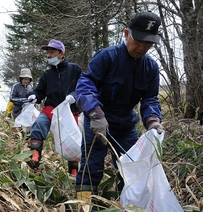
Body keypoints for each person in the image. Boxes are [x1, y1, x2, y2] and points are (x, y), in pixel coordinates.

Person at [75, 11, 164, 205]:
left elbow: (150, 99)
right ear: (126, 34)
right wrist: (95, 113)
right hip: (97, 124)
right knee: (91, 169)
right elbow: (85, 86)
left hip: (125, 127)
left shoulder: (150, 68)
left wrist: (153, 120)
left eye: (148, 44)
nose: (142, 48)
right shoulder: (106, 57)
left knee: (133, 172)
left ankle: (128, 206)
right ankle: (82, 207)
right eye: (138, 41)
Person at [26, 39, 83, 175]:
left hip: (70, 110)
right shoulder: (47, 74)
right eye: (48, 53)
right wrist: (34, 96)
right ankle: (34, 158)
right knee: (38, 125)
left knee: (72, 140)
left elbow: (82, 87)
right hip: (51, 108)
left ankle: (74, 171)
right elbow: (40, 91)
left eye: (52, 52)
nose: (48, 56)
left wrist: (73, 95)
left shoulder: (75, 70)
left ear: (61, 53)